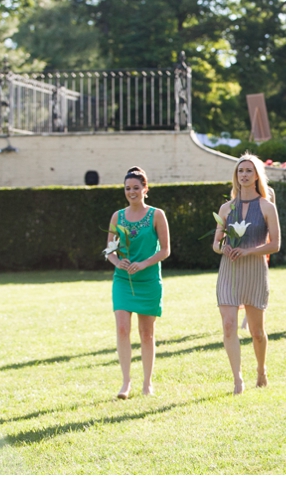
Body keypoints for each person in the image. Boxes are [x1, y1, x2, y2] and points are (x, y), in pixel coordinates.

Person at [213, 155, 282, 394]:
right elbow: (216, 244)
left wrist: (248, 251)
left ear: (256, 175)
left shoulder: (266, 206)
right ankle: (237, 379)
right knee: (229, 325)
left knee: (257, 332)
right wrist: (225, 248)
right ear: (236, 175)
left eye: (248, 171)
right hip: (228, 272)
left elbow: (275, 245)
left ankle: (261, 370)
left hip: (254, 271)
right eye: (240, 170)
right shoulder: (225, 208)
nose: (244, 174)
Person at [105, 166, 171, 399]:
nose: (131, 192)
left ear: (145, 189)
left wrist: (143, 264)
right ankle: (125, 383)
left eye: (136, 187)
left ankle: (147, 383)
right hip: (123, 280)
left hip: (149, 280)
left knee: (146, 333)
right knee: (122, 329)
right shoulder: (117, 216)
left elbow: (165, 250)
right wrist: (117, 262)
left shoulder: (157, 215)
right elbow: (109, 250)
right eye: (127, 188)